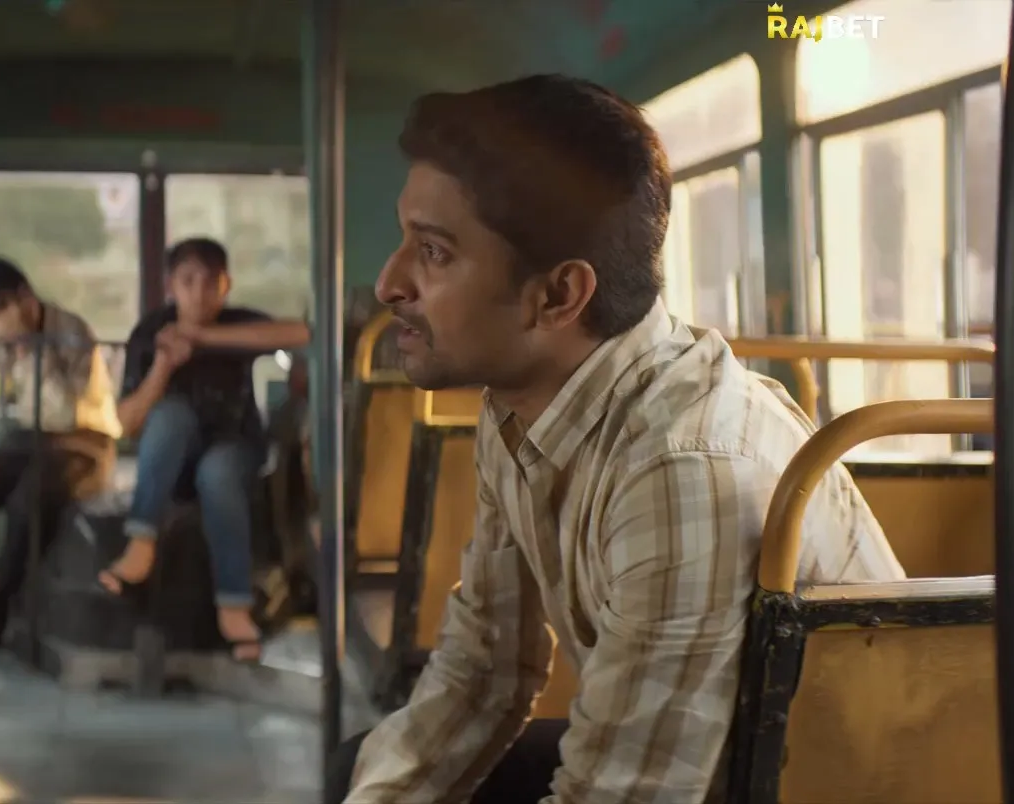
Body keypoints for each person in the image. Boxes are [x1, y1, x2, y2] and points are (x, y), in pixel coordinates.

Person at [331, 75, 906, 803]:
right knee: (360, 768)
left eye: (434, 252)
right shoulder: (518, 410)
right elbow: (484, 673)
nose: (389, 283)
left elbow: (625, 794)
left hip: (812, 788)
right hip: (706, 772)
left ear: (559, 295)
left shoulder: (685, 467)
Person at [97, 237, 311, 661]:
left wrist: (203, 336)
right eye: (188, 281)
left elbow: (301, 333)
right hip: (170, 462)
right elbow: (127, 423)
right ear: (171, 286)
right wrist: (164, 365)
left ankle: (234, 607)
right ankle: (141, 542)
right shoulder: (150, 332)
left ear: (226, 285)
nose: (199, 293)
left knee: (218, 472)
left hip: (235, 448)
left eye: (211, 283)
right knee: (171, 415)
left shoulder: (237, 323)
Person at [0, 256, 122, 647]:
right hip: (29, 440)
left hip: (84, 442)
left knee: (26, 505)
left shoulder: (72, 332)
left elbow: (65, 413)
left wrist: (30, 355)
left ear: (24, 295)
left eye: (1, 306)